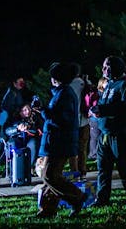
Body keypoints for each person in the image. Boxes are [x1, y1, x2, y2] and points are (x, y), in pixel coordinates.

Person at [88, 55, 126, 207]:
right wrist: (97, 109)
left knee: (125, 168)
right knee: (103, 169)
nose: (103, 69)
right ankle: (102, 199)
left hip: (120, 135)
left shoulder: (125, 85)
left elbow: (125, 107)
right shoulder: (109, 85)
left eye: (107, 66)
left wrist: (103, 110)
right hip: (105, 134)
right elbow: (103, 103)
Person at [35, 63, 85, 219]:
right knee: (51, 176)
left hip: (59, 142)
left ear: (55, 79)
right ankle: (48, 210)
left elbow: (59, 119)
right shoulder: (63, 93)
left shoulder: (64, 94)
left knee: (49, 176)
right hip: (58, 141)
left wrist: (42, 110)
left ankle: (76, 197)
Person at [67, 69, 90, 178]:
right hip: (84, 120)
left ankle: (74, 171)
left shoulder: (68, 85)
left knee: (72, 149)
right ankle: (83, 171)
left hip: (71, 122)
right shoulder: (84, 83)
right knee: (83, 148)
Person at [87, 77, 105, 158]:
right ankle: (93, 154)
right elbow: (90, 105)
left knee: (100, 137)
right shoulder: (96, 94)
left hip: (101, 118)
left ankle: (99, 153)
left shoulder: (105, 93)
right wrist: (92, 113)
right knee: (95, 137)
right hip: (94, 119)